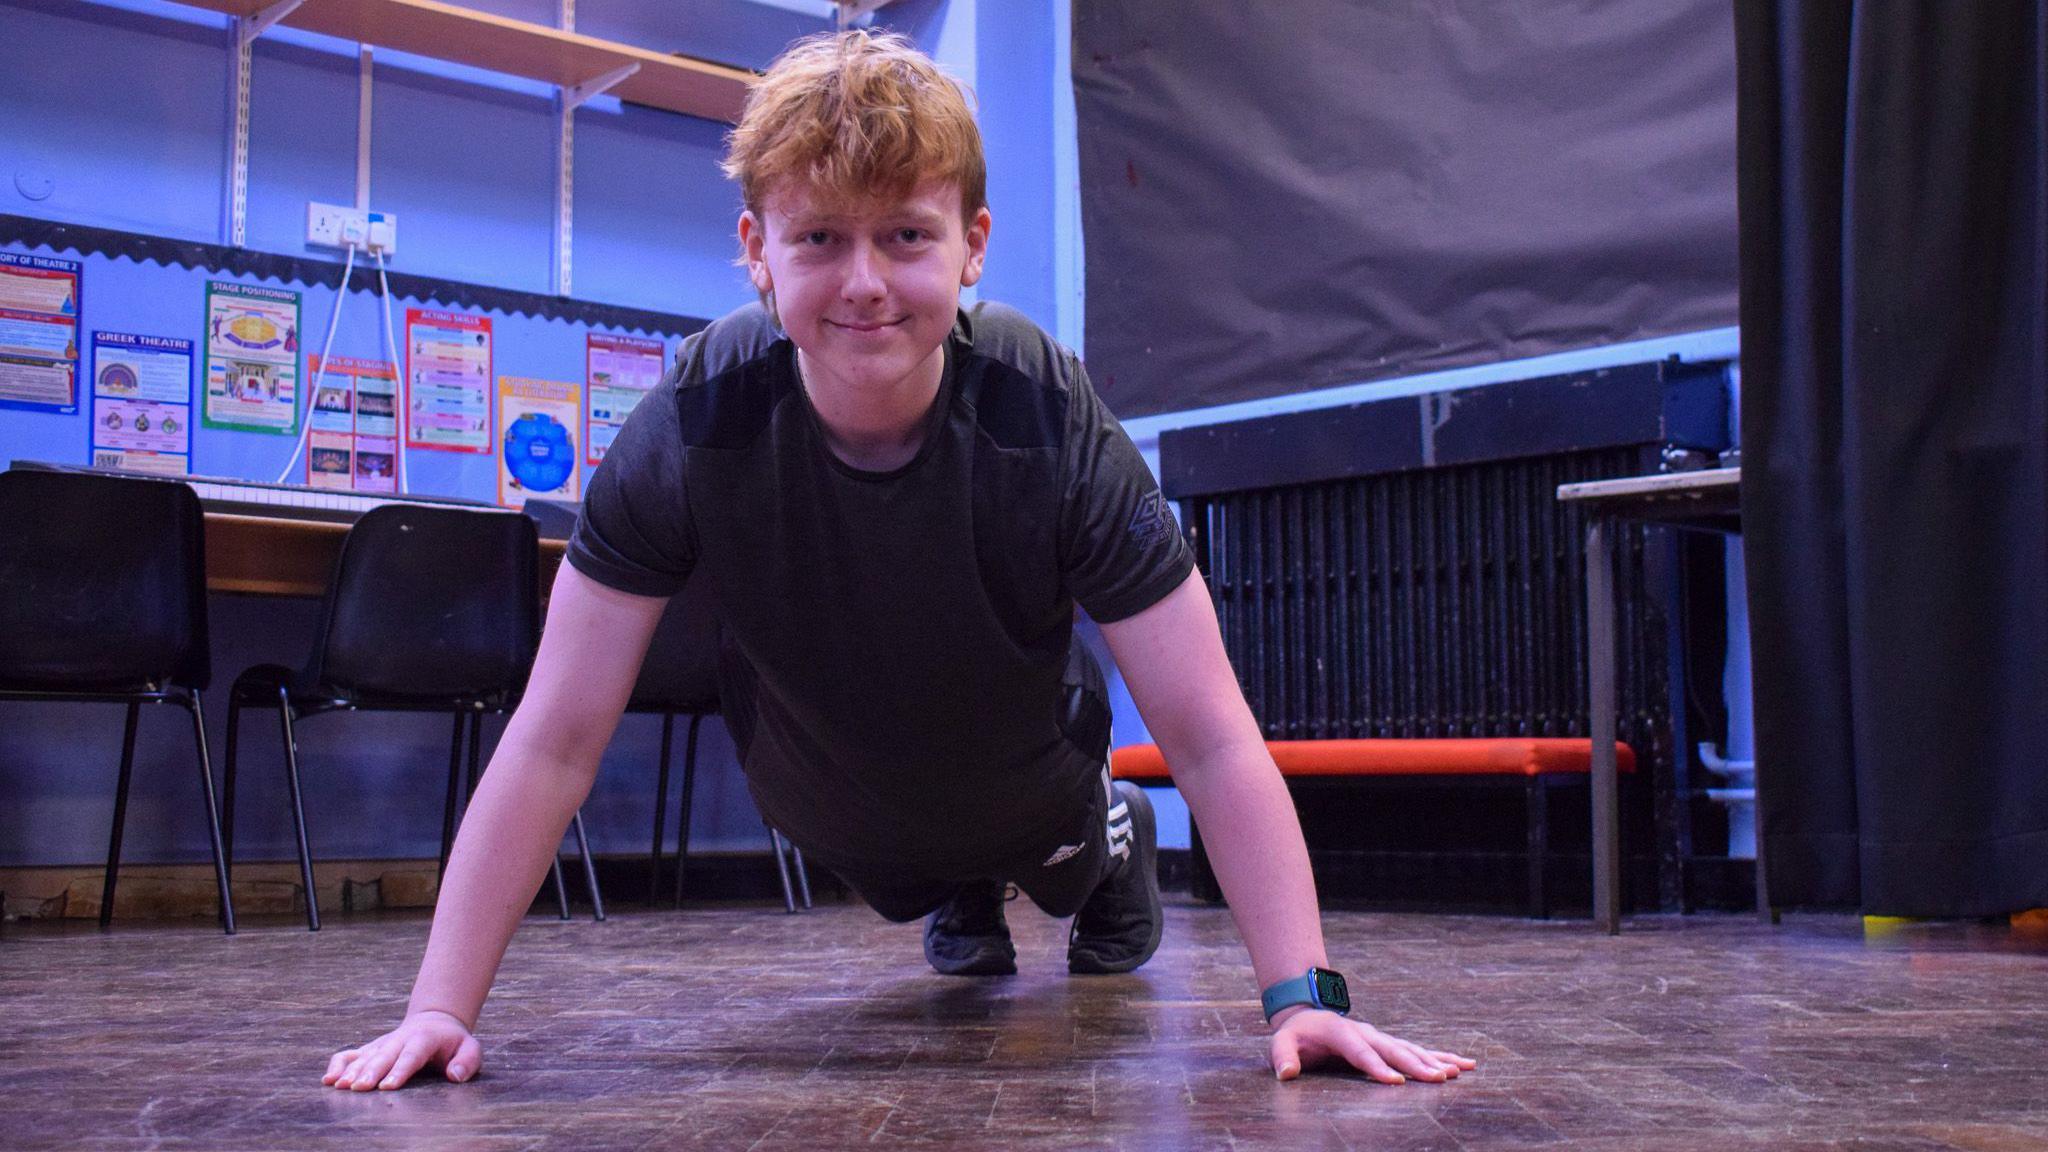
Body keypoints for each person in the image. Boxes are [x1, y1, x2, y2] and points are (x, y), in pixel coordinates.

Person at [324, 30, 1474, 1093]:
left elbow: (1212, 734)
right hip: (829, 793)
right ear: (757, 253)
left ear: (972, 246)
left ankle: (1099, 847)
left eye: (905, 236)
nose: (864, 281)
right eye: (820, 237)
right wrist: (438, 1008)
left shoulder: (1043, 406)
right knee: (910, 867)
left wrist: (1304, 994)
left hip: (1023, 768)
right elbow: (555, 734)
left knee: (1045, 838)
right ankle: (958, 884)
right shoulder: (696, 414)